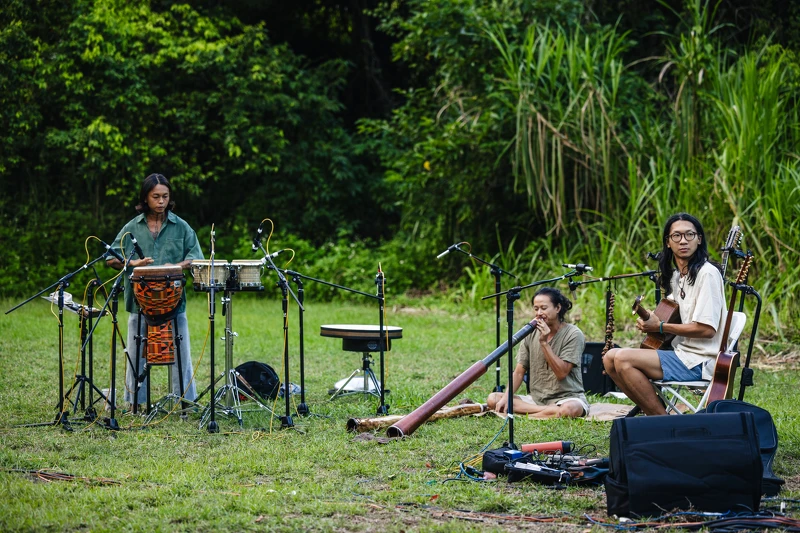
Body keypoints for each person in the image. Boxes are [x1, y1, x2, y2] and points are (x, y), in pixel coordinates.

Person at [603, 212, 726, 416]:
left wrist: (660, 327)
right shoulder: (679, 276)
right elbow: (675, 316)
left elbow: (706, 330)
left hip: (700, 361)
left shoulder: (707, 273)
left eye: (690, 235)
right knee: (609, 358)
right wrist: (652, 320)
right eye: (676, 236)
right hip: (681, 354)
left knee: (623, 358)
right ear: (668, 242)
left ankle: (662, 421)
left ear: (699, 239)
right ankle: (658, 416)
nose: (683, 241)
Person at [106, 173, 204, 411]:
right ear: (146, 198)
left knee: (181, 353)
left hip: (174, 301)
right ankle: (135, 404)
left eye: (165, 196)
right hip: (140, 301)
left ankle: (185, 402)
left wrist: (177, 266)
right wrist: (133, 264)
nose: (161, 201)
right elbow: (111, 258)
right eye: (156, 196)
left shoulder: (181, 226)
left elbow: (196, 257)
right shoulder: (132, 227)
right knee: (136, 353)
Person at [487, 287, 589, 419]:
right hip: (535, 399)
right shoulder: (530, 333)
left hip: (567, 398)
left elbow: (562, 373)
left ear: (558, 308)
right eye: (536, 309)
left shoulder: (574, 334)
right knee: (493, 398)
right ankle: (547, 411)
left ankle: (535, 412)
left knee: (569, 409)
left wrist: (544, 343)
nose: (539, 313)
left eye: (544, 308)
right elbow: (519, 372)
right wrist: (506, 398)